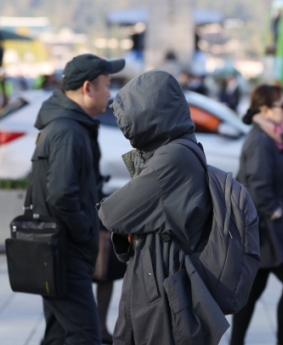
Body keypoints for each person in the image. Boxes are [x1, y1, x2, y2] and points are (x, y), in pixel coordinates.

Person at [97, 70, 225, 345]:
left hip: (162, 278)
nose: (125, 126)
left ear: (151, 112)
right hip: (159, 272)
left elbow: (112, 214)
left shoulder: (173, 156)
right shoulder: (179, 147)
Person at [29, 54, 125, 345]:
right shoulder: (68, 130)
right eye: (107, 85)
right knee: (85, 335)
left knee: (60, 335)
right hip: (64, 252)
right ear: (88, 87)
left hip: (60, 249)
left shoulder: (69, 125)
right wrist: (86, 232)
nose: (110, 93)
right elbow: (61, 194)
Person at [231, 85, 283, 345]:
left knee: (254, 289)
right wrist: (274, 212)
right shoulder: (261, 141)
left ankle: (236, 342)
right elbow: (257, 183)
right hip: (266, 230)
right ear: (265, 110)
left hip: (270, 229)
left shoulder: (274, 137)